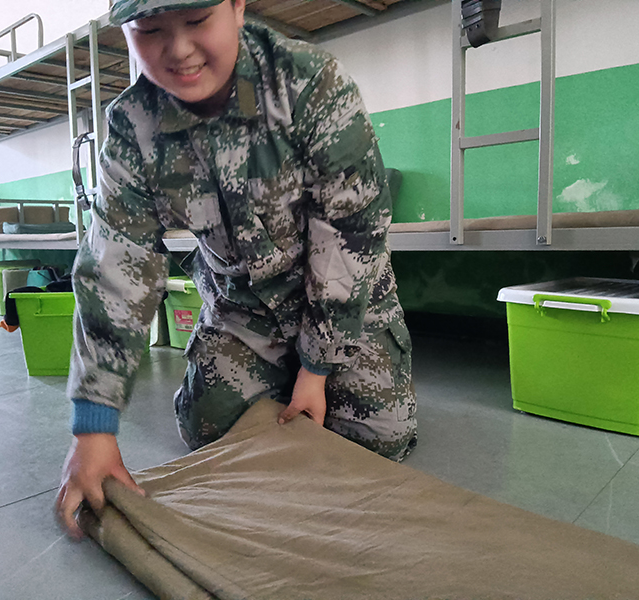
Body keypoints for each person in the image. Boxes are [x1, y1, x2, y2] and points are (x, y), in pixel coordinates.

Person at [56, 0, 417, 538]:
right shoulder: (134, 127)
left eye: (197, 21)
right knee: (206, 427)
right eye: (150, 29)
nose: (179, 49)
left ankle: (312, 376)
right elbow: (116, 264)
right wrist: (93, 426)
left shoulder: (311, 86)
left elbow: (350, 235)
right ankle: (272, 377)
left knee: (378, 440)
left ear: (238, 7)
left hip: (346, 306)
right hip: (242, 311)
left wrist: (316, 369)